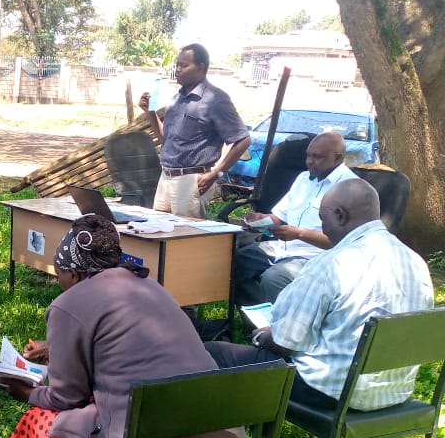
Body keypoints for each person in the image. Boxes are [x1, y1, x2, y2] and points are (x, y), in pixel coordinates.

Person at [0, 215, 244, 438]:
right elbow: (128, 355)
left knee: (43, 422)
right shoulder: (151, 286)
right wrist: (61, 351)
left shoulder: (70, 303)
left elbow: (65, 398)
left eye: (59, 273)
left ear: (74, 272)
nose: (58, 280)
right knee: (94, 413)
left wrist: (26, 392)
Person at [206, 178, 434, 412]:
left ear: (340, 216)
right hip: (394, 393)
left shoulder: (332, 263)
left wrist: (262, 336)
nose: (323, 229)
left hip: (329, 393)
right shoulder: (416, 262)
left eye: (323, 221)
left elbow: (286, 342)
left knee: (213, 352)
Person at [233, 131, 356, 305]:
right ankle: (258, 318)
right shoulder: (304, 178)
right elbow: (279, 217)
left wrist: (299, 234)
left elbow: (344, 242)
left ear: (337, 158)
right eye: (308, 156)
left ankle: (284, 325)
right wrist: (260, 219)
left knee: (273, 278)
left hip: (318, 256)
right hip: (284, 247)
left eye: (317, 157)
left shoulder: (351, 188)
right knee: (233, 262)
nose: (309, 162)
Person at [139, 44, 252, 219]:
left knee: (186, 239)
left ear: (200, 67)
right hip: (166, 178)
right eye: (177, 64)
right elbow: (165, 138)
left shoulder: (216, 99)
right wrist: (151, 113)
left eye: (184, 65)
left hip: (192, 180)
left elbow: (243, 140)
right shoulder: (176, 100)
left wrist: (216, 173)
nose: (177, 69)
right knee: (159, 235)